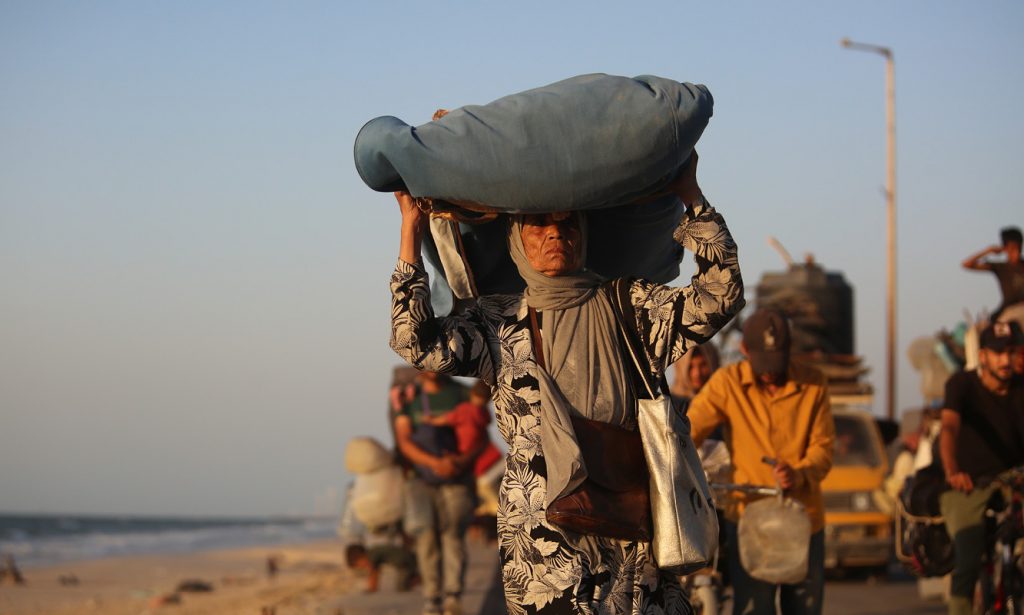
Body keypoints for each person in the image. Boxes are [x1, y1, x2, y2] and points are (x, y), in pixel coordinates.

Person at [389, 151, 744, 614]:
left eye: (568, 223)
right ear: (517, 239)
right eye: (539, 223)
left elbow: (722, 294)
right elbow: (413, 341)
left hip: (631, 532)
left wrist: (689, 194)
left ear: (584, 235)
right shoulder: (500, 322)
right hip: (541, 546)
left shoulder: (629, 307)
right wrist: (411, 229)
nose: (556, 232)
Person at [687, 308, 835, 615]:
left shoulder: (815, 384)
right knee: (755, 609)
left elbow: (823, 449)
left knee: (804, 609)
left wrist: (799, 473)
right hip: (749, 519)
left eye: (777, 363)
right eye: (763, 364)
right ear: (744, 350)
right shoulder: (727, 382)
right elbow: (688, 431)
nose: (770, 374)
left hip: (803, 520)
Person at [938, 320, 1024, 615]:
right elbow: (948, 427)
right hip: (969, 484)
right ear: (983, 356)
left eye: (1011, 352)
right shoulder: (962, 384)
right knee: (969, 558)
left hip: (1014, 483)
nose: (1005, 360)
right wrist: (952, 471)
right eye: (997, 352)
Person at [392, 370, 476, 615]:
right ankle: (431, 598)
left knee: (453, 536)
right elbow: (404, 440)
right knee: (426, 538)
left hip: (457, 478)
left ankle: (453, 596)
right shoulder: (407, 397)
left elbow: (478, 433)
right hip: (419, 480)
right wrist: (433, 463)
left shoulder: (461, 392)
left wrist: (460, 462)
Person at [421, 379, 505, 521]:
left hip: (471, 453)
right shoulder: (484, 413)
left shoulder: (465, 409)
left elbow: (447, 419)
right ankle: (489, 506)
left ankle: (494, 507)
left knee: (482, 484)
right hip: (484, 452)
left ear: (472, 394)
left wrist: (431, 421)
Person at [961, 226, 1024, 325]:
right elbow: (967, 264)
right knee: (986, 331)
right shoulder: (1000, 267)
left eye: (1018, 249)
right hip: (1007, 309)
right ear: (1005, 249)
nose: (1016, 253)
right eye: (1012, 249)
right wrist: (988, 251)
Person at [346, 542, 420, 592]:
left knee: (402, 587)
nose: (362, 567)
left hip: (405, 562)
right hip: (406, 560)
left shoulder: (372, 555)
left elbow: (374, 572)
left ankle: (423, 578)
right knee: (404, 582)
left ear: (361, 557)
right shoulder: (373, 552)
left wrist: (372, 589)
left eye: (359, 564)